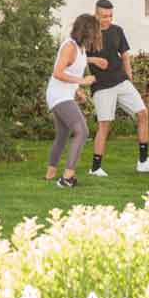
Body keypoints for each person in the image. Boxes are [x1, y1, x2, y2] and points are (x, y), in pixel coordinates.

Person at [88, 0, 149, 176]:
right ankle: (95, 168)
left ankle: (144, 161)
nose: (107, 19)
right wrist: (92, 60)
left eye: (110, 16)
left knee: (142, 113)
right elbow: (75, 57)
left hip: (121, 81)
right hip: (101, 86)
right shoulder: (87, 33)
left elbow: (124, 55)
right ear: (96, 14)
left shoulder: (117, 31)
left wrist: (129, 77)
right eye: (104, 16)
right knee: (105, 124)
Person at [46, 14, 101, 188]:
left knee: (62, 135)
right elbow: (58, 73)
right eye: (95, 31)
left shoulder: (81, 49)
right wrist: (82, 82)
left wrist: (77, 92)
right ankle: (67, 178)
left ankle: (50, 174)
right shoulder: (70, 47)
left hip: (65, 95)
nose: (96, 35)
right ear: (86, 30)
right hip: (58, 95)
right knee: (82, 131)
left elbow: (71, 72)